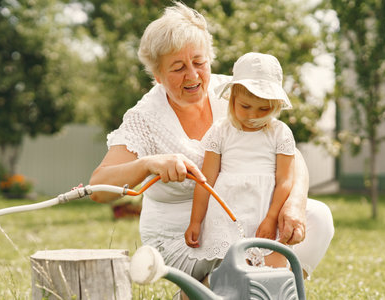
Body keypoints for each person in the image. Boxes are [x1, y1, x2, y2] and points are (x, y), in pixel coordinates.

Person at [89, 0, 333, 289]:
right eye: (178, 68)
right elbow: (98, 189)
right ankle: (220, 287)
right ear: (157, 76)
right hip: (184, 237)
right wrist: (149, 164)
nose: (192, 76)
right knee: (244, 261)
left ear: (210, 59)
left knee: (317, 216)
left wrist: (293, 203)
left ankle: (245, 290)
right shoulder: (145, 117)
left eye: (199, 62)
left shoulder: (235, 93)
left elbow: (291, 156)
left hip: (243, 216)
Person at [184, 52, 296, 269]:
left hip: (263, 210)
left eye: (263, 109)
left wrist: (272, 217)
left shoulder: (279, 133)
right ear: (233, 98)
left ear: (274, 106)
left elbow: (284, 180)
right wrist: (196, 221)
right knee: (234, 269)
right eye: (245, 106)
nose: (253, 115)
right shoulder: (221, 131)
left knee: (273, 267)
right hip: (228, 213)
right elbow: (206, 180)